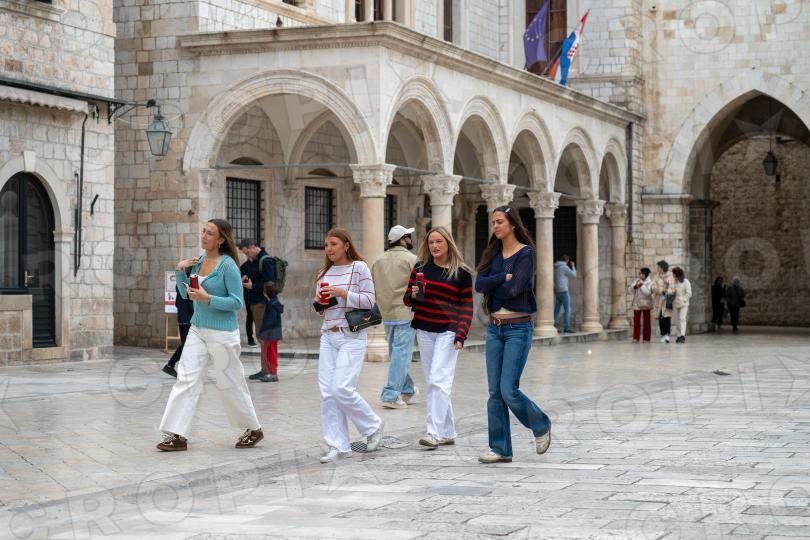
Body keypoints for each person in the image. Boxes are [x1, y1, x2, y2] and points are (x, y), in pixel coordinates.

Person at [157, 219, 263, 452]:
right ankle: (177, 435)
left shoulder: (228, 266)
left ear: (221, 239)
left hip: (222, 334)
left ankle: (253, 429)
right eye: (203, 231)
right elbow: (187, 294)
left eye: (209, 233)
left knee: (230, 382)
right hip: (197, 329)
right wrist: (180, 271)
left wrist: (208, 298)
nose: (203, 236)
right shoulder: (199, 262)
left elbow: (236, 303)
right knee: (186, 379)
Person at [474, 205, 551, 464]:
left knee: (508, 390)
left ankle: (540, 424)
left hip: (518, 329)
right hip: (494, 329)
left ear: (512, 224)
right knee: (494, 392)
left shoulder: (526, 253)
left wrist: (496, 282)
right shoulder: (493, 254)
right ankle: (500, 448)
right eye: (493, 222)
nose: (495, 226)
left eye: (500, 222)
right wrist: (501, 278)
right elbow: (479, 284)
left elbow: (516, 289)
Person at [314, 228, 384, 464]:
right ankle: (338, 445)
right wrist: (319, 302)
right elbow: (322, 310)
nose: (329, 249)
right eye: (326, 245)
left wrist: (343, 293)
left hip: (351, 336)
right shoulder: (324, 273)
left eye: (333, 244)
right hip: (328, 335)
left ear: (346, 245)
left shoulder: (359, 268)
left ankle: (372, 426)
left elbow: (369, 300)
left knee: (341, 388)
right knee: (327, 393)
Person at [404, 227, 473, 450]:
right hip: (424, 330)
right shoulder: (420, 268)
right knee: (434, 382)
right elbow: (408, 300)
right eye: (431, 242)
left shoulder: (461, 273)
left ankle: (433, 433)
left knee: (438, 380)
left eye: (439, 242)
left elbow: (467, 306)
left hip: (449, 330)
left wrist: (461, 334)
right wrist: (414, 294)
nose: (434, 246)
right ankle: (448, 431)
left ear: (448, 244)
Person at [373, 225, 419, 409]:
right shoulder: (412, 259)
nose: (410, 239)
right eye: (408, 236)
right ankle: (391, 395)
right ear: (402, 240)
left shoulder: (377, 261)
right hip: (406, 313)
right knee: (401, 354)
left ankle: (408, 389)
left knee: (397, 354)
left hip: (387, 313)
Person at [238, 239, 277, 379]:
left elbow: (271, 284)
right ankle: (265, 369)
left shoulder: (266, 261)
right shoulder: (252, 262)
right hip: (254, 303)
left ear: (254, 247)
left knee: (265, 338)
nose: (247, 255)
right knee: (261, 337)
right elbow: (244, 270)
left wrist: (253, 286)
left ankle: (269, 371)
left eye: (247, 252)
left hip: (263, 304)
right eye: (245, 253)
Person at [163, 267, 195, 377]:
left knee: (187, 345)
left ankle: (173, 366)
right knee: (187, 345)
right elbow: (192, 305)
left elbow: (177, 303)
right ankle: (170, 365)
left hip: (182, 319)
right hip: (189, 319)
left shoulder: (180, 284)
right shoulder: (190, 285)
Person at [257, 281, 283, 382]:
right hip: (274, 333)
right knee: (271, 353)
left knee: (269, 354)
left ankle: (273, 374)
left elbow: (270, 321)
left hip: (270, 334)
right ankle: (272, 373)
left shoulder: (271, 305)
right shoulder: (275, 303)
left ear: (265, 293)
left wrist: (262, 332)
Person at [651, 260, 675, 344]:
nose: (657, 268)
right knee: (661, 317)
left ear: (662, 267)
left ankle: (667, 335)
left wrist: (667, 291)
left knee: (667, 318)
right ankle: (662, 334)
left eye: (658, 267)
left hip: (667, 300)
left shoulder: (670, 276)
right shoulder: (656, 277)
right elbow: (653, 287)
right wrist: (661, 289)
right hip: (659, 300)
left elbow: (673, 288)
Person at [553, 254, 577, 333]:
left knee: (556, 310)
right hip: (564, 291)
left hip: (558, 291)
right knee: (567, 310)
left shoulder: (556, 267)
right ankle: (566, 328)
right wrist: (573, 266)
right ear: (567, 261)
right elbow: (574, 275)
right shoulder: (564, 267)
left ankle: (553, 326)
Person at [628, 267, 653, 343]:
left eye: (641, 273)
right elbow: (630, 290)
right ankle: (636, 338)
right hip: (637, 303)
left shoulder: (650, 282)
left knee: (647, 322)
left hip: (646, 303)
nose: (640, 275)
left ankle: (646, 339)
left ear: (645, 274)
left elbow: (648, 293)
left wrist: (641, 285)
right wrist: (634, 287)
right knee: (636, 321)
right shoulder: (637, 280)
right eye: (639, 273)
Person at [671, 267, 692, 343]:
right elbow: (670, 290)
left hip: (684, 304)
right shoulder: (673, 282)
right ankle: (678, 335)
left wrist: (683, 299)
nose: (673, 275)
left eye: (673, 274)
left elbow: (689, 293)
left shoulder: (686, 281)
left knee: (682, 318)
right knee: (676, 320)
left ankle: (682, 335)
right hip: (675, 303)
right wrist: (672, 291)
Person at [239, 256, 256, 347]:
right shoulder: (244, 267)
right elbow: (239, 282)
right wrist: (243, 280)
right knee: (250, 316)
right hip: (248, 295)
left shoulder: (259, 264)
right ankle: (250, 339)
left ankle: (262, 338)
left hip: (259, 294)